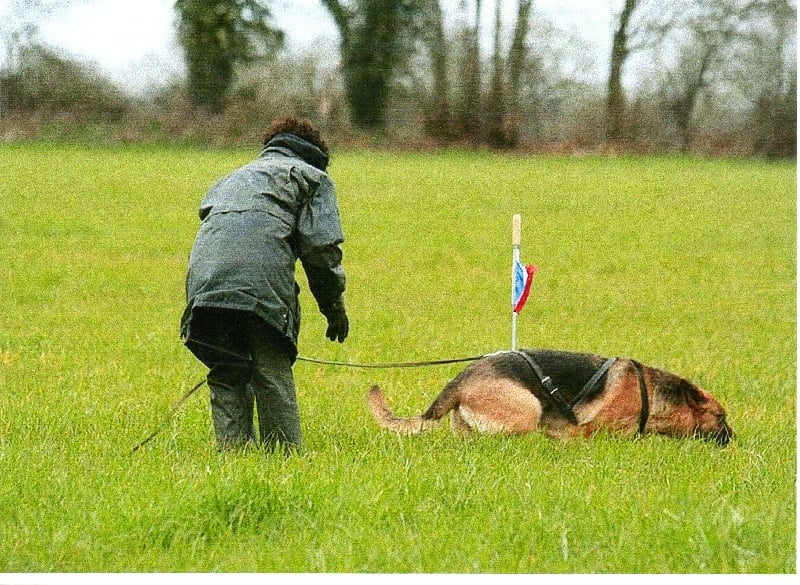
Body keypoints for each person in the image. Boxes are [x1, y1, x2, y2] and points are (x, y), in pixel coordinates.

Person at [180, 117, 349, 452]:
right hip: (260, 283)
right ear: (316, 156)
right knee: (271, 372)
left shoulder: (228, 180)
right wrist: (334, 309)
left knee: (227, 371)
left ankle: (234, 460)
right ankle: (283, 461)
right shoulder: (312, 178)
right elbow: (321, 250)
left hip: (204, 284)